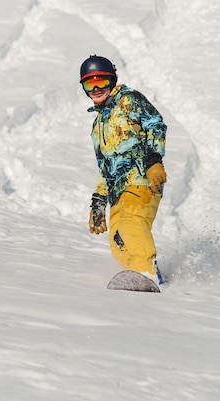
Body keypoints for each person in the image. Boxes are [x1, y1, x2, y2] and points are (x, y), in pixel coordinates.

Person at [79, 55, 167, 287]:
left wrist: (154, 160)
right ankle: (137, 277)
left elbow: (154, 124)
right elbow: (106, 166)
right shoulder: (98, 124)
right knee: (118, 241)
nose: (96, 88)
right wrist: (98, 200)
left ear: (112, 80)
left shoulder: (128, 100)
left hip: (142, 180)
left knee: (131, 223)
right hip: (117, 191)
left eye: (101, 81)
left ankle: (147, 273)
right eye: (90, 84)